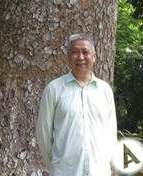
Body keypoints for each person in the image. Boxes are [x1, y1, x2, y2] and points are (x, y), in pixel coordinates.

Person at [35, 33, 117, 176]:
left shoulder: (104, 91)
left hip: (98, 171)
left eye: (85, 52)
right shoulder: (54, 89)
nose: (80, 57)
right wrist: (57, 166)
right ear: (68, 57)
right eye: (75, 52)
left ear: (94, 57)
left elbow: (110, 132)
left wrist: (106, 164)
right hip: (65, 171)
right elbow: (44, 134)